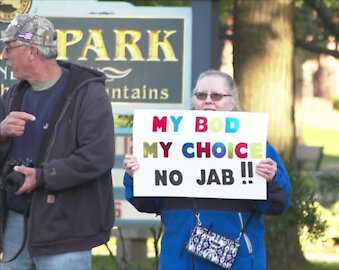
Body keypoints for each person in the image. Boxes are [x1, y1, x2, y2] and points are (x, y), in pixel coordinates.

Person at [123, 70, 292, 269]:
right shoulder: (168, 145)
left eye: (217, 96)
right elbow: (147, 203)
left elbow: (279, 204)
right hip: (179, 260)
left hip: (238, 261)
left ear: (233, 102)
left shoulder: (256, 147)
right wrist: (135, 175)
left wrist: (271, 179)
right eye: (201, 95)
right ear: (194, 101)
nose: (208, 101)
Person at [0, 14, 115, 270]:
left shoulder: (88, 93)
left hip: (66, 229)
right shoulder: (12, 96)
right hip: (15, 224)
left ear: (31, 51)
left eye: (9, 48)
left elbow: (97, 157)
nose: (4, 56)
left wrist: (41, 177)